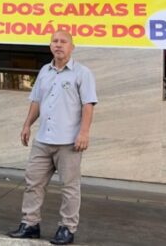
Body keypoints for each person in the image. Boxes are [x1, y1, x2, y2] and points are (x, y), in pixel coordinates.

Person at [7, 30, 98, 245]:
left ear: (72, 46)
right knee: (33, 183)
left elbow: (88, 105)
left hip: (69, 142)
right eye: (55, 41)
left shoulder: (82, 73)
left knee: (69, 187)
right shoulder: (44, 72)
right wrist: (27, 124)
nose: (59, 45)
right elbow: (37, 100)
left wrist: (84, 132)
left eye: (63, 41)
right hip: (42, 140)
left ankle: (67, 228)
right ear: (50, 46)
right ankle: (30, 224)